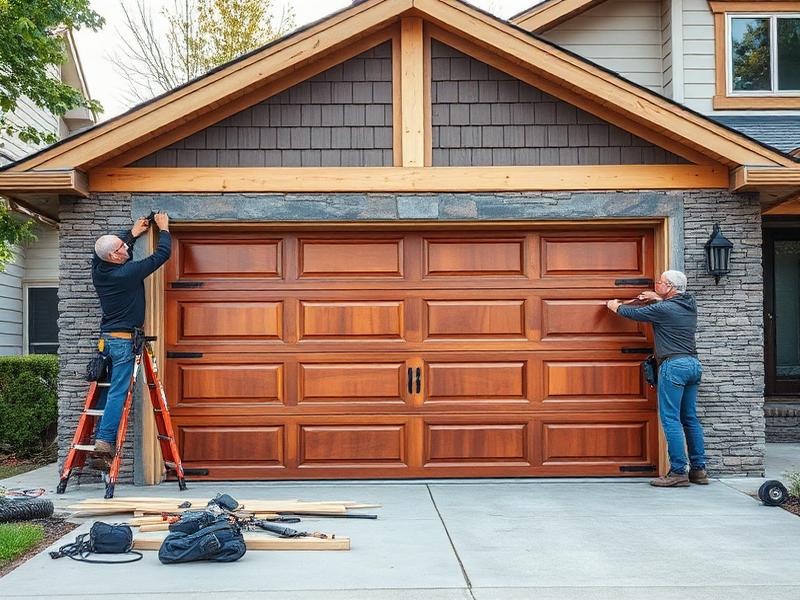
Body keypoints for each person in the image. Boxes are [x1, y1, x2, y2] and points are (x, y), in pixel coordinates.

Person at [606, 270, 708, 488]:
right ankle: (699, 470)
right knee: (689, 418)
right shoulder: (689, 304)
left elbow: (633, 314)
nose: (656, 284)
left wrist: (614, 306)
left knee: (671, 419)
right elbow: (669, 305)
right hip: (692, 365)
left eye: (660, 282)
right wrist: (657, 297)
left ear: (669, 286)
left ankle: (678, 472)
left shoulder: (664, 309)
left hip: (674, 366)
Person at [90, 212, 171, 467]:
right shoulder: (127, 274)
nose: (126, 248)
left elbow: (110, 248)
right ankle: (103, 443)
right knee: (118, 392)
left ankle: (99, 438)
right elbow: (161, 256)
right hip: (123, 342)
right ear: (115, 256)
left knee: (107, 391)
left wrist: (133, 234)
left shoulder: (99, 267)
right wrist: (164, 230)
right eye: (122, 247)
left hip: (107, 341)